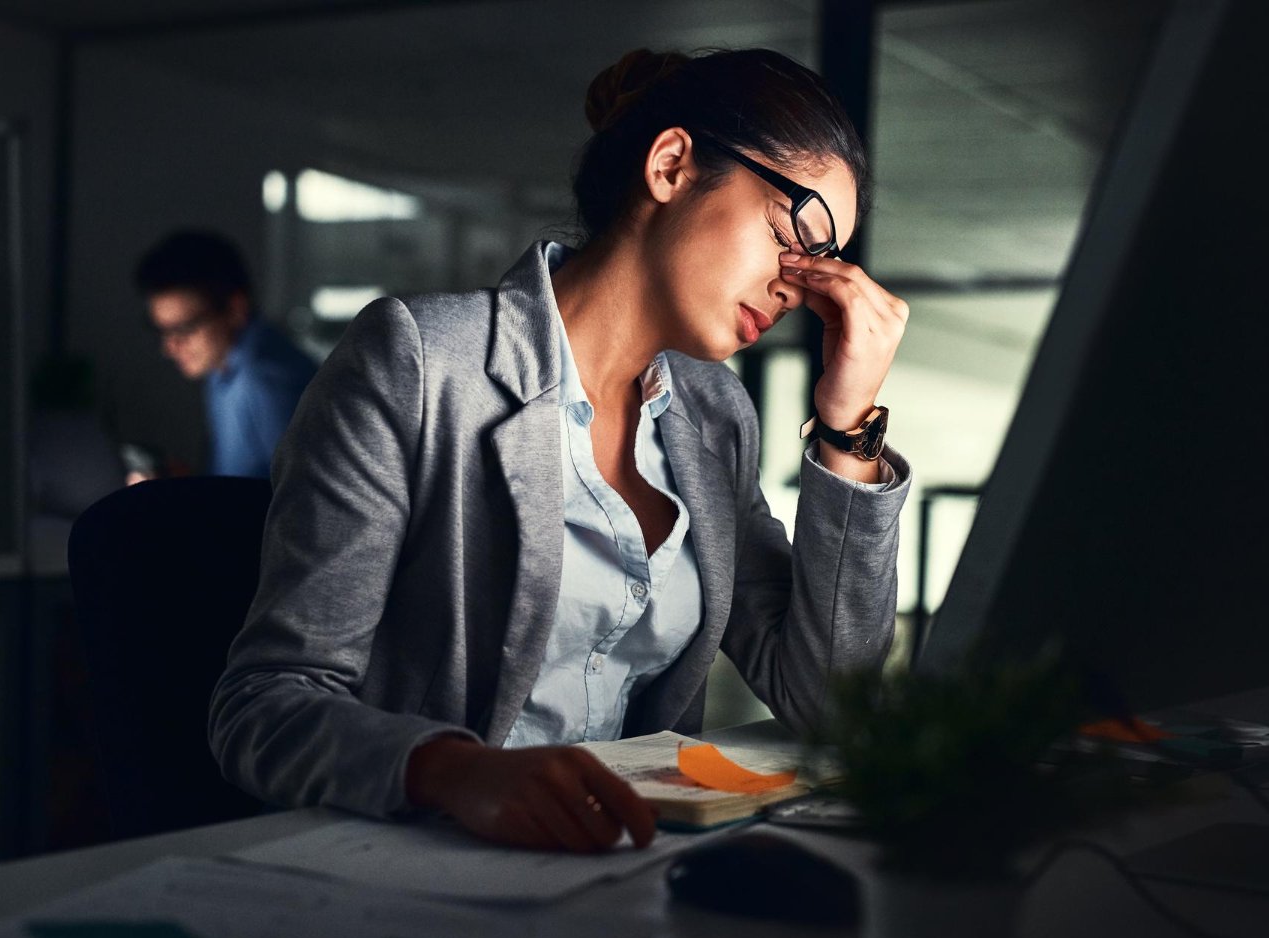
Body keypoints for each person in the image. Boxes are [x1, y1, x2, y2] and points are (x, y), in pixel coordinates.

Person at [210, 47, 912, 853]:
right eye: (800, 232)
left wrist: (846, 422)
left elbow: (829, 700)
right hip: (417, 864)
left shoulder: (714, 417)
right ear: (673, 165)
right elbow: (264, 701)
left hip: (618, 870)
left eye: (826, 260)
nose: (801, 283)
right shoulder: (421, 361)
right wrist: (449, 769)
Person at [133, 229, 318, 479]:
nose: (170, 347)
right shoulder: (222, 365)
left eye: (184, 328)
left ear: (235, 309)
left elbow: (303, 508)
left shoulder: (266, 381)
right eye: (163, 331)